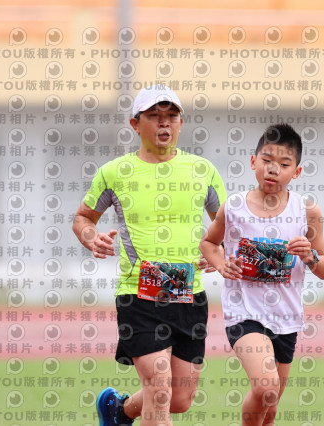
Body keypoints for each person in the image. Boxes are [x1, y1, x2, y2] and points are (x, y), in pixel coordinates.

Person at [72, 85, 226, 426]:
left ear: (181, 123)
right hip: (138, 296)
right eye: (154, 116)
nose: (164, 123)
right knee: (159, 388)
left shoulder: (203, 170)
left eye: (171, 116)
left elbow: (226, 224)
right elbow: (83, 218)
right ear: (135, 124)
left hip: (189, 296)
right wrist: (92, 237)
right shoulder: (114, 172)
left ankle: (119, 411)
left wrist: (217, 249)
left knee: (179, 399)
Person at [199, 123, 324, 426]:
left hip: (286, 317)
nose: (273, 169)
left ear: (296, 172)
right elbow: (208, 243)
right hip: (244, 313)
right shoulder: (234, 207)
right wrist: (221, 265)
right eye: (267, 160)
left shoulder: (307, 211)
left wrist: (309, 256)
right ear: (253, 161)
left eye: (284, 164)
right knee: (266, 386)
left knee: (269, 409)